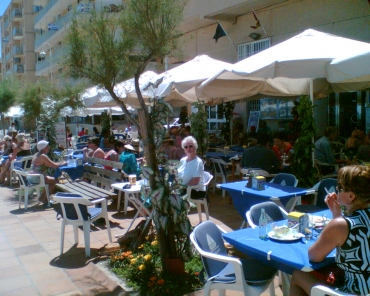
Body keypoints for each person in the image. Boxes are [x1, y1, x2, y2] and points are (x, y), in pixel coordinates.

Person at [289, 165, 370, 295]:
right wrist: (337, 214)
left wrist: (336, 220)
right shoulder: (346, 223)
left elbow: (314, 256)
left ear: (351, 196)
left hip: (356, 292)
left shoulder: (340, 225)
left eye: (341, 187)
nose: (337, 190)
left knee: (299, 275)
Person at [28, 141, 67, 205]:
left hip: (32, 176)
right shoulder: (43, 156)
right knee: (56, 182)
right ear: (44, 148)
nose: (49, 148)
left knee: (52, 182)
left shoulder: (37, 154)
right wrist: (63, 163)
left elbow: (50, 164)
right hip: (37, 177)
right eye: (47, 146)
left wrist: (60, 163)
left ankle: (42, 198)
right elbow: (54, 165)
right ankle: (45, 200)